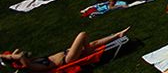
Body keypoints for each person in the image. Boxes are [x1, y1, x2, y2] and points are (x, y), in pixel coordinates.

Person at [2, 28, 130, 70]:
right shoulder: (30, 66)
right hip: (67, 59)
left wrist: (6, 57)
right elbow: (18, 56)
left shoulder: (27, 61)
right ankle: (91, 54)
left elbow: (17, 51)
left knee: (93, 42)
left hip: (66, 53)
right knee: (82, 35)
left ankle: (118, 35)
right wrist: (6, 58)